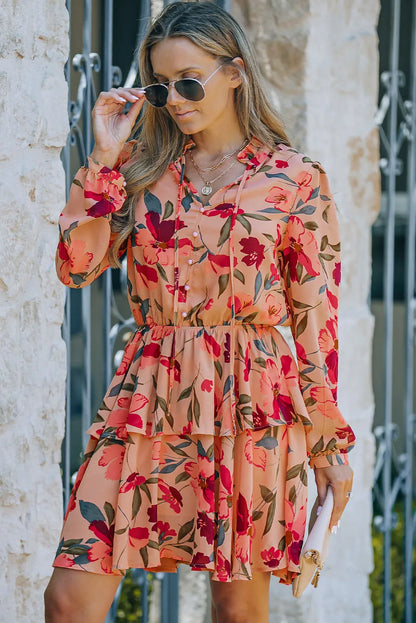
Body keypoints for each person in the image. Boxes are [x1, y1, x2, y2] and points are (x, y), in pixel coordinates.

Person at [44, 2, 355, 621]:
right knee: (69, 598)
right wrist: (104, 161)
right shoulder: (142, 173)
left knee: (237, 609)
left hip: (253, 399)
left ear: (236, 72)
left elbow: (315, 321)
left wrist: (328, 444)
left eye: (190, 82)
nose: (177, 100)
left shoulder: (294, 180)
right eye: (162, 87)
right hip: (148, 395)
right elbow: (76, 268)